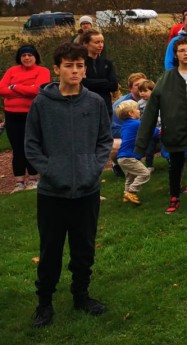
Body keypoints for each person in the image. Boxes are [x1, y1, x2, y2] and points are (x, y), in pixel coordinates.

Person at [26, 42, 112, 327]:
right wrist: (50, 171)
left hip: (87, 190)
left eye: (79, 66)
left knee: (84, 247)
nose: (74, 71)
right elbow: (32, 145)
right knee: (51, 248)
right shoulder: (42, 103)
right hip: (53, 192)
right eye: (68, 66)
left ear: (85, 69)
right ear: (57, 69)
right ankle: (45, 303)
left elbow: (104, 141)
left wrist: (93, 167)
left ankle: (81, 295)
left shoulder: (95, 103)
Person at [137, 36, 187, 213]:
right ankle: (174, 197)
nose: (186, 54)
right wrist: (140, 145)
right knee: (175, 165)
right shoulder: (167, 78)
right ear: (176, 55)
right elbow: (151, 111)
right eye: (182, 50)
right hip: (174, 131)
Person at [0, 44, 51, 190]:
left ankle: (34, 178)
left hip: (32, 114)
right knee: (17, 148)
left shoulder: (42, 71)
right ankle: (19, 182)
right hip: (12, 115)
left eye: (30, 55)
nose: (27, 58)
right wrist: (26, 90)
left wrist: (15, 87)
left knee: (32, 145)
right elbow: (1, 88)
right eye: (23, 55)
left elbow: (38, 90)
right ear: (19, 58)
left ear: (35, 57)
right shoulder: (12, 70)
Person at [115, 99, 153, 206]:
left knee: (130, 177)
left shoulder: (125, 126)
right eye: (137, 109)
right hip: (129, 157)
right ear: (130, 113)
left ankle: (126, 197)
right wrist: (159, 131)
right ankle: (131, 192)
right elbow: (149, 130)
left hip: (122, 157)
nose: (139, 111)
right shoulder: (136, 123)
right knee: (145, 174)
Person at [80, 29, 118, 115]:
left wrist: (90, 82)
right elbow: (82, 84)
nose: (100, 45)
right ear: (86, 44)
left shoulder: (107, 63)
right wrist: (105, 81)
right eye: (96, 42)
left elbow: (114, 85)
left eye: (102, 42)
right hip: (86, 108)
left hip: (105, 108)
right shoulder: (80, 63)